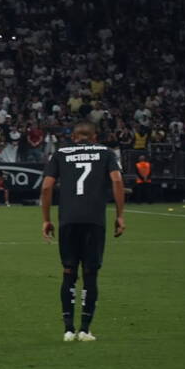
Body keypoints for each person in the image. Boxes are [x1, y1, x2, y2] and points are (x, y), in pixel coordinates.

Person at [40, 121, 125, 342]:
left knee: (68, 271)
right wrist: (120, 215)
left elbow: (47, 187)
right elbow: (117, 181)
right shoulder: (106, 153)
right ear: (94, 137)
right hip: (94, 220)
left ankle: (68, 329)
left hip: (68, 220)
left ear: (74, 137)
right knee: (90, 273)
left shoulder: (60, 154)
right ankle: (85, 330)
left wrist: (47, 220)